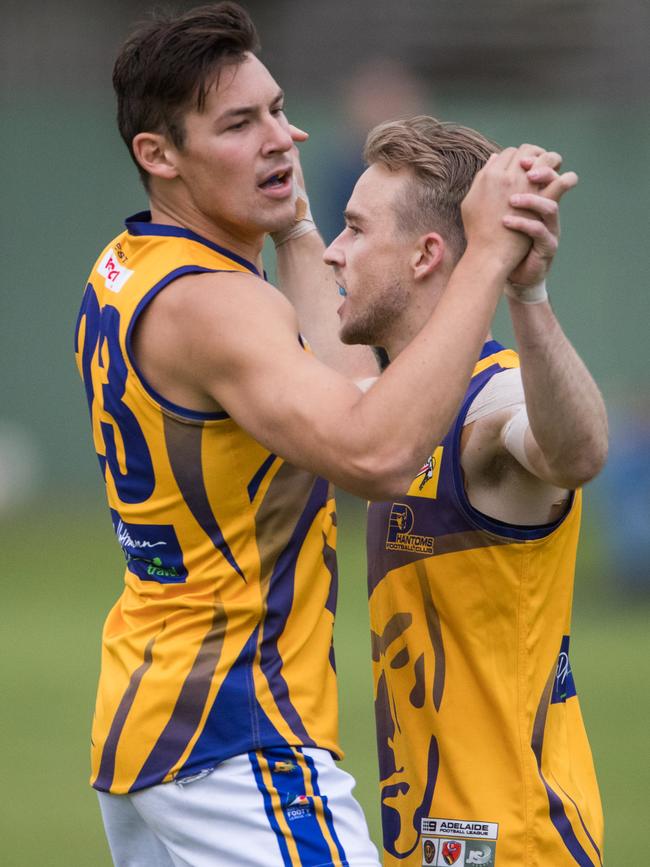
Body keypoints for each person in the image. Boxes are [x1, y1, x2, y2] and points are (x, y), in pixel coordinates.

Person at [73, 3, 573, 864]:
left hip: (150, 713)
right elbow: (375, 450)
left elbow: (347, 389)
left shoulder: (128, 266)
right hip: (237, 731)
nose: (281, 138)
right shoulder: (217, 304)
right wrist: (487, 259)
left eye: (275, 108)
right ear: (158, 156)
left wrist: (298, 227)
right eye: (239, 124)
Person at [320, 116, 608, 865]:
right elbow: (330, 380)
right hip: (435, 847)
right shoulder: (397, 414)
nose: (333, 250)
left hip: (516, 844)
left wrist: (530, 294)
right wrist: (283, 216)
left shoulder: (489, 402)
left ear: (424, 254)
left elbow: (574, 451)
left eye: (353, 229)